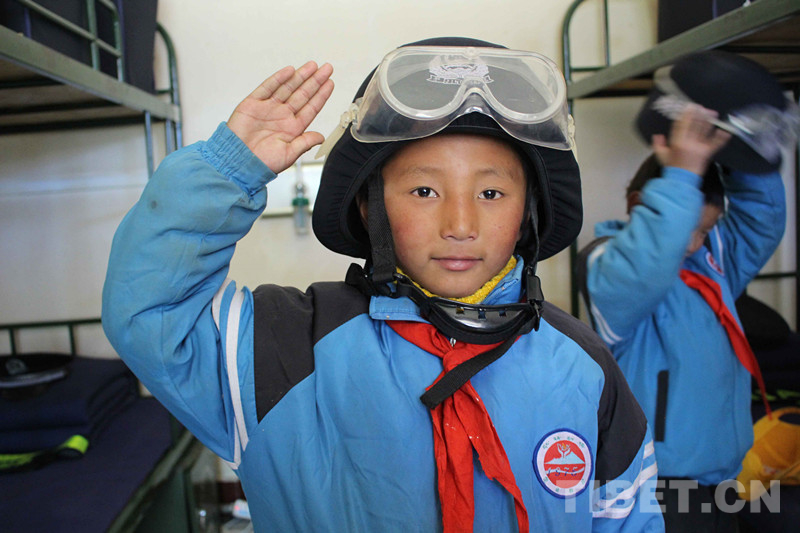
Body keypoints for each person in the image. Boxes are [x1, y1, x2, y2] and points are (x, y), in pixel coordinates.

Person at [103, 37, 662, 532]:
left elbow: (629, 520)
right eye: (424, 192)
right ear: (371, 208)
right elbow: (154, 314)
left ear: (527, 215)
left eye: (491, 194)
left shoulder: (583, 364)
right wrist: (229, 170)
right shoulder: (282, 348)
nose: (460, 225)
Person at [576, 57, 790, 531]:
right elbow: (647, 264)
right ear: (638, 204)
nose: (694, 244)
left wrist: (745, 155)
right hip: (657, 483)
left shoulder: (713, 264)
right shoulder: (606, 266)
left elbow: (761, 221)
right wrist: (682, 174)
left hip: (722, 475)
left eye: (706, 231)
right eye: (689, 229)